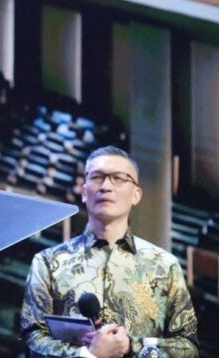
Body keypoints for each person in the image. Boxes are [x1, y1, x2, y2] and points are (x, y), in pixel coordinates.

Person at [20, 146, 199, 358]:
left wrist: (132, 346)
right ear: (84, 192)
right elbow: (31, 340)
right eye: (97, 177)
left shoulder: (165, 265)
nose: (106, 186)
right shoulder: (48, 263)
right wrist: (89, 355)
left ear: (136, 195)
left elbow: (188, 347)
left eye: (118, 178)